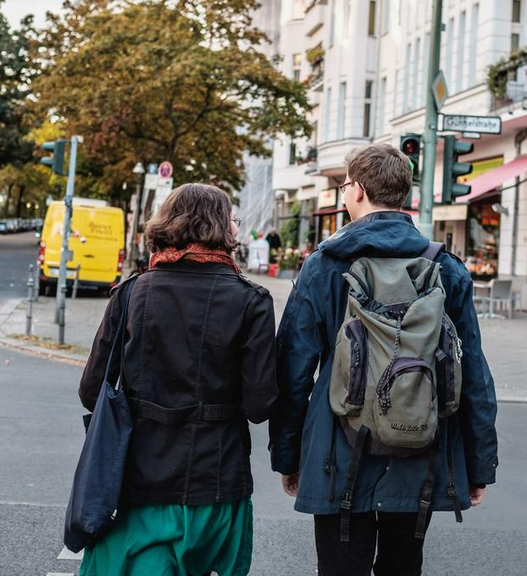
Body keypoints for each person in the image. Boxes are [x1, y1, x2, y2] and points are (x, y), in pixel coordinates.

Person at [269, 144, 498, 575]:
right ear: (406, 195)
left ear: (355, 191)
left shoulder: (324, 265)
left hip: (338, 447)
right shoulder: (445, 266)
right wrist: (479, 462)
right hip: (423, 445)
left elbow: (294, 368)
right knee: (403, 566)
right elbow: (473, 373)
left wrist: (288, 455)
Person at [77, 183, 278, 576]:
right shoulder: (251, 300)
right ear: (221, 228)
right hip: (218, 483)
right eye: (233, 220)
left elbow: (90, 392)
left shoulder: (131, 293)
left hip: (141, 483)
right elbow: (260, 406)